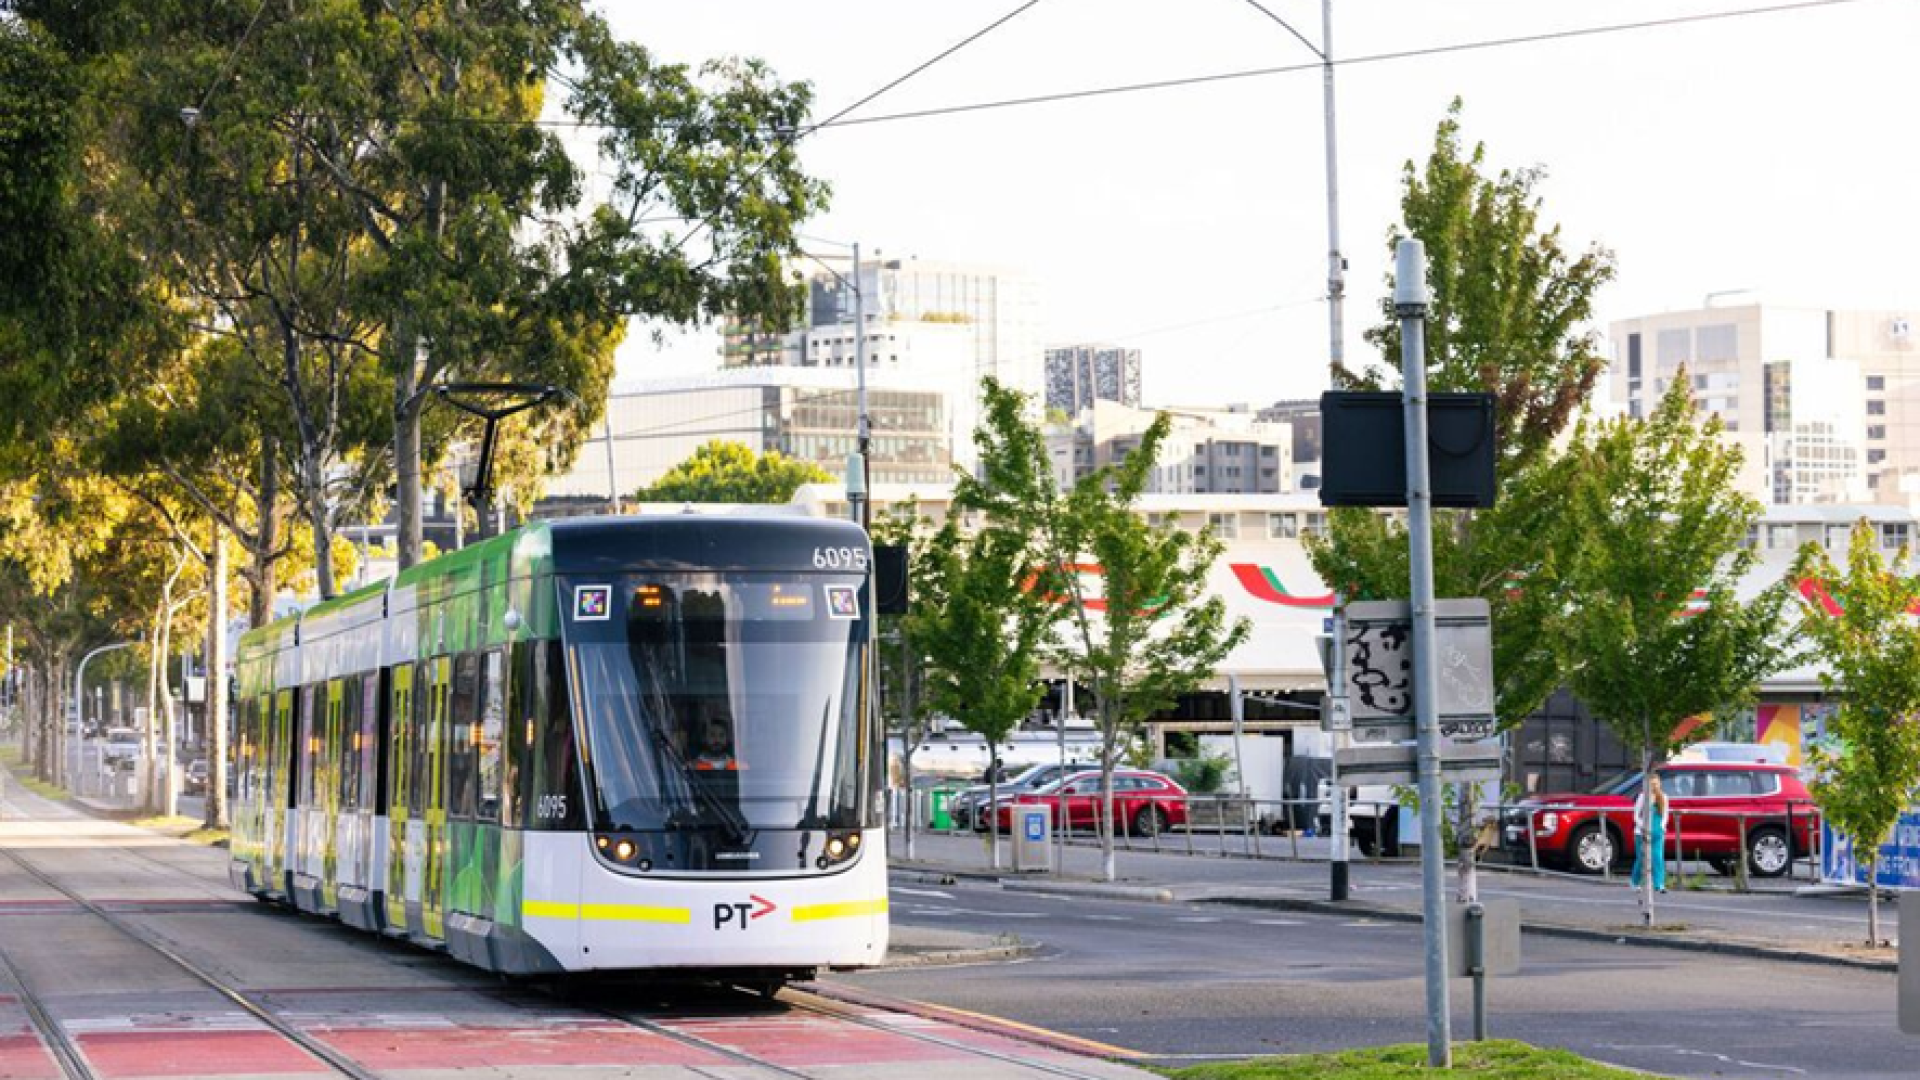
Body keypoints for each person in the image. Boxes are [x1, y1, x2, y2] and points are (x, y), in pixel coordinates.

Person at [1632, 772, 1670, 893]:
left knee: (1657, 858)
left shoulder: (1663, 797)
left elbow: (1665, 815)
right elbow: (1636, 815)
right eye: (1652, 784)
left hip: (1657, 832)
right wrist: (1642, 826)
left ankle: (1659, 884)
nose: (1654, 786)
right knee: (1641, 858)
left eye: (1656, 784)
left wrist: (1662, 827)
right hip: (1642, 832)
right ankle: (1635, 882)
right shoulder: (1642, 797)